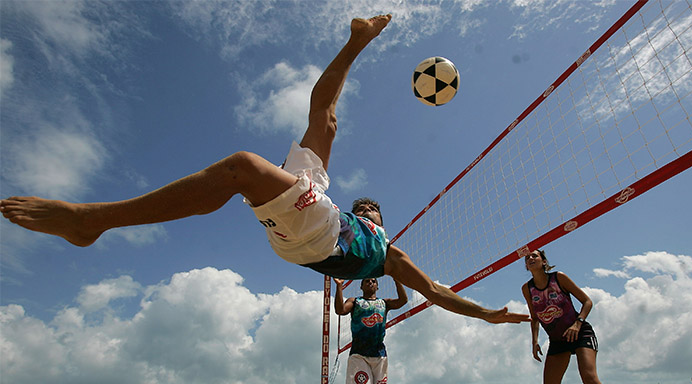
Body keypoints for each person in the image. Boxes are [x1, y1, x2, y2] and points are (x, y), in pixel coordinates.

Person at [0, 14, 529, 326]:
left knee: (241, 167)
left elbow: (435, 294)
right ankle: (357, 40)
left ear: (379, 224)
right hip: (307, 222)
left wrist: (486, 315)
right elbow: (323, 113)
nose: (369, 208)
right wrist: (359, 41)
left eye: (375, 210)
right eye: (364, 206)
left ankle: (92, 220)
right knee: (314, 129)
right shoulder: (324, 187)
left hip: (320, 238)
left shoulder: (389, 257)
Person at [522, 249, 629, 384]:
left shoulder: (558, 278)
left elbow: (587, 301)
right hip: (557, 340)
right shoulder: (527, 289)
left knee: (589, 377)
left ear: (544, 261)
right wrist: (534, 341)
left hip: (579, 332)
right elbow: (535, 317)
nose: (530, 258)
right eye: (527, 258)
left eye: (534, 255)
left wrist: (577, 324)